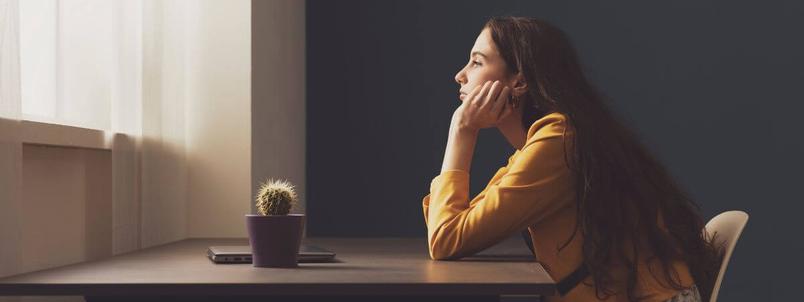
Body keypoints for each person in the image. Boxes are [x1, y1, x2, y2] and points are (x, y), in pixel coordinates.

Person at [421, 17, 720, 302]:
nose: (460, 75)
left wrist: (462, 130)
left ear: (519, 82)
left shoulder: (559, 141)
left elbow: (446, 238)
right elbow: (449, 229)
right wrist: (463, 130)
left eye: (477, 62)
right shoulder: (542, 145)